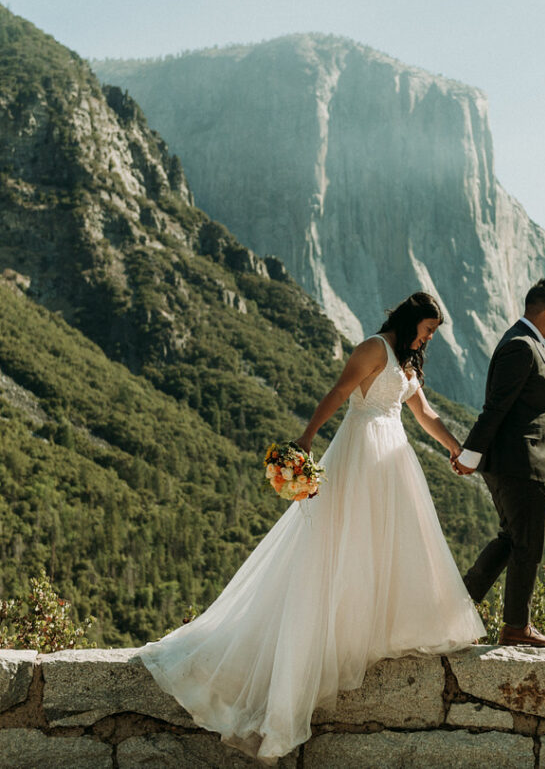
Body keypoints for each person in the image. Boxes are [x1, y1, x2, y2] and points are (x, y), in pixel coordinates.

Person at [139, 292, 484, 762]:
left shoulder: (409, 361)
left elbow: (423, 414)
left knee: (394, 545)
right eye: (426, 330)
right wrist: (304, 440)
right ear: (407, 323)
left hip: (395, 459)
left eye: (432, 333)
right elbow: (338, 394)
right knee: (338, 547)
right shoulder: (372, 350)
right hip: (359, 454)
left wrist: (455, 448)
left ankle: (374, 632)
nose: (428, 338)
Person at [453, 279, 545, 647]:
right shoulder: (521, 346)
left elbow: (535, 411)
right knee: (528, 544)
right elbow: (496, 408)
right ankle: (516, 628)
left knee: (511, 539)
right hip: (518, 465)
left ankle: (454, 611)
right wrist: (469, 456)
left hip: (526, 461)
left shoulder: (527, 342)